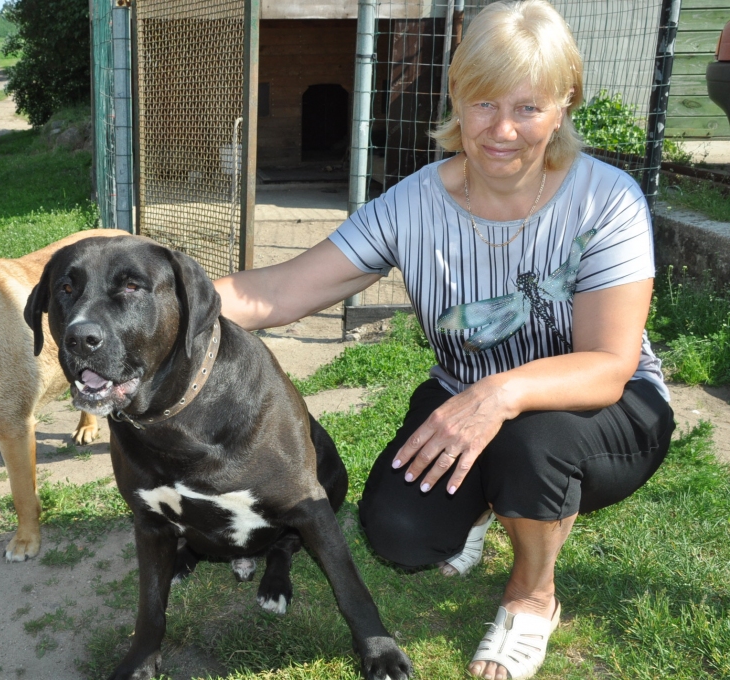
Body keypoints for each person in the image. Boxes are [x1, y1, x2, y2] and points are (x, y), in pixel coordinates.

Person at [213, 2, 674, 678]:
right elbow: (279, 292)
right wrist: (167, 299)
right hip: (468, 397)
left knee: (531, 443)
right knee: (400, 536)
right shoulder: (412, 203)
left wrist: (500, 393)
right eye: (484, 103)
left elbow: (608, 364)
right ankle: (496, 501)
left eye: (528, 108)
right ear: (455, 93)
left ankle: (532, 596)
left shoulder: (609, 200)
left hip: (607, 409)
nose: (502, 130)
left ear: (565, 103)